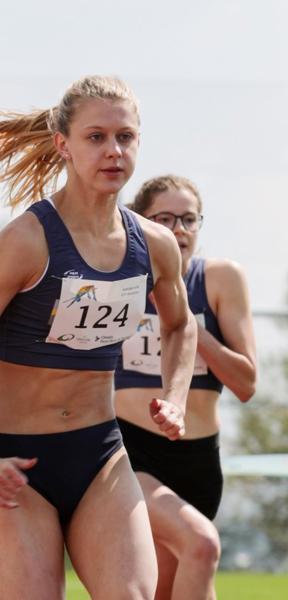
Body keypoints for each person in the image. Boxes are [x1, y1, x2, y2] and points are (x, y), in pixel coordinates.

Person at [0, 75, 197, 599]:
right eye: (96, 137)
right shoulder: (27, 242)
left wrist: (178, 395)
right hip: (18, 464)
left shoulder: (155, 245)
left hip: (100, 455)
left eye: (125, 137)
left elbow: (181, 323)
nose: (113, 151)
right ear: (64, 145)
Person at [115, 175, 257, 599]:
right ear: (140, 223)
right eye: (165, 218)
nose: (179, 230)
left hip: (199, 460)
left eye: (189, 220)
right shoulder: (118, 278)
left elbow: (247, 383)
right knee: (202, 545)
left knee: (165, 590)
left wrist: (187, 326)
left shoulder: (219, 279)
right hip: (133, 454)